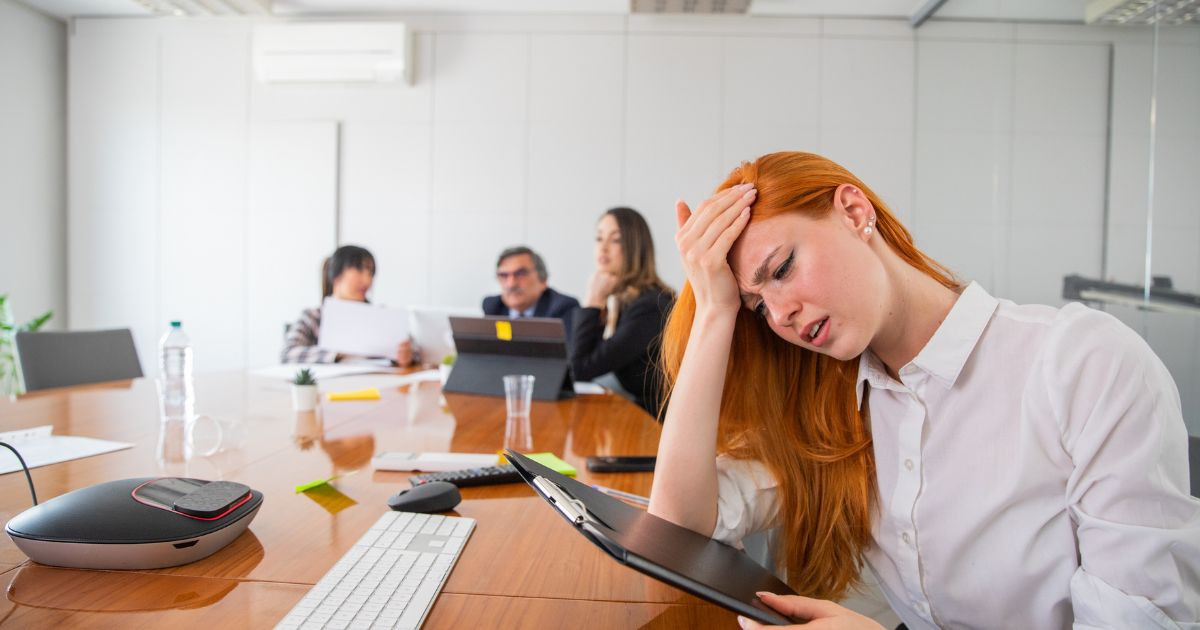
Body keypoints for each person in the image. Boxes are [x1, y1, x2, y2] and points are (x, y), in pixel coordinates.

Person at [650, 152, 1200, 629]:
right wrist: (716, 310)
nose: (781, 313)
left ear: (854, 211)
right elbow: (676, 529)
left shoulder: (1083, 365)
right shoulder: (832, 405)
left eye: (784, 268)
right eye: (759, 306)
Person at [570, 207, 674, 415]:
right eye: (599, 238)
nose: (604, 248)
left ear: (635, 248)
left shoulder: (650, 306)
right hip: (642, 413)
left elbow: (580, 368)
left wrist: (593, 300)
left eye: (615, 240)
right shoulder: (626, 300)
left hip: (660, 423)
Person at [282, 245, 414, 366]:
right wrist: (340, 353)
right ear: (335, 274)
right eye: (359, 269)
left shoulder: (380, 316)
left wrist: (405, 355)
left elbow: (414, 349)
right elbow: (288, 354)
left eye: (370, 273)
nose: (367, 280)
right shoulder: (313, 316)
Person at [482, 246, 580, 333]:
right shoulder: (493, 307)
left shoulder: (561, 309)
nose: (511, 284)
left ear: (543, 280)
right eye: (503, 275)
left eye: (520, 274)